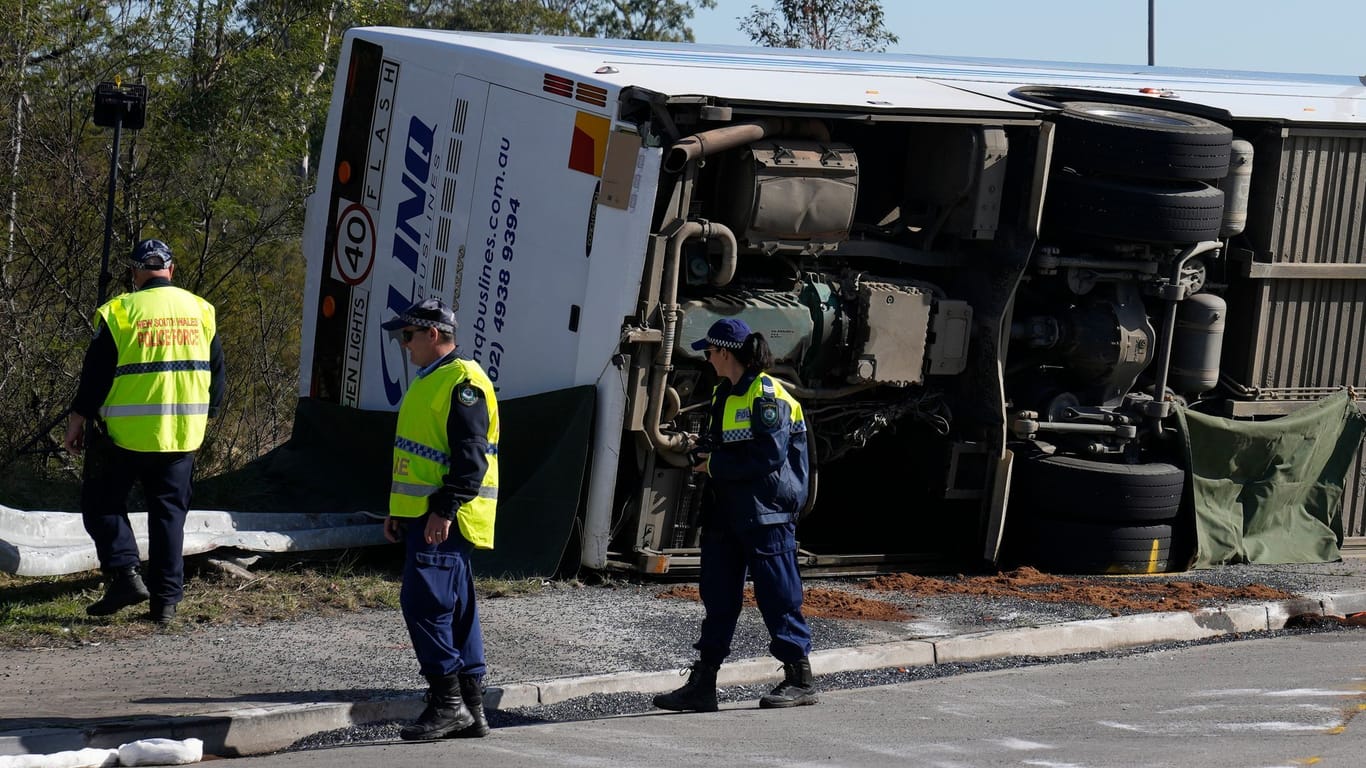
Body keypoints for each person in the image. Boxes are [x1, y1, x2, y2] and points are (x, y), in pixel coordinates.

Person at [653, 317, 817, 713]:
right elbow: (724, 444)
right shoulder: (723, 394)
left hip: (767, 514)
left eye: (709, 352)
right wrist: (701, 450)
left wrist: (712, 465)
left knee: (779, 596)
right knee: (719, 598)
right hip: (729, 514)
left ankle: (800, 679)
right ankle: (703, 683)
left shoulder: (766, 395)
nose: (707, 360)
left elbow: (768, 456)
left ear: (725, 351)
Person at [63, 238, 226, 624]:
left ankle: (124, 575)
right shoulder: (201, 310)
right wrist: (209, 413)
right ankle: (165, 603)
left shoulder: (121, 311)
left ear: (135, 273)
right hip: (182, 434)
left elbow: (95, 376)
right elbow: (217, 375)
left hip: (126, 436)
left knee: (101, 503)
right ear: (170, 270)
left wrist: (77, 419)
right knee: (169, 516)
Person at [381, 297, 499, 740]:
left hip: (445, 519)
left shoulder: (461, 382)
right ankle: (471, 707)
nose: (404, 345)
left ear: (433, 335)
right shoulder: (434, 379)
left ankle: (448, 703)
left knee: (425, 605)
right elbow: (420, 454)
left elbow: (472, 459)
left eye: (408, 336)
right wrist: (400, 510)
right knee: (458, 611)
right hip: (425, 516)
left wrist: (443, 509)